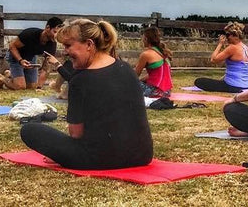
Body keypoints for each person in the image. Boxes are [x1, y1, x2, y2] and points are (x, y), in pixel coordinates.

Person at [20, 18, 153, 169]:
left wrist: (60, 153)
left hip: (99, 159)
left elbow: (76, 134)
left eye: (68, 46)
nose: (65, 51)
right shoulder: (127, 68)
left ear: (89, 44)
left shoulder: (80, 80)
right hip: (141, 155)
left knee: (29, 130)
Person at [0, 17, 63, 90]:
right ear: (47, 28)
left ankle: (9, 75)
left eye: (59, 33)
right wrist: (20, 60)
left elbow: (46, 68)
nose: (56, 35)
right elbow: (12, 46)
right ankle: (2, 78)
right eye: (54, 32)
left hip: (30, 58)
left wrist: (39, 87)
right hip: (16, 57)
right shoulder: (30, 34)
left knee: (32, 87)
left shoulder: (52, 44)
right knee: (20, 86)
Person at [194, 21, 248, 93]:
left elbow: (213, 60)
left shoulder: (232, 48)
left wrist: (220, 44)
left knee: (199, 81)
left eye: (228, 35)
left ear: (235, 36)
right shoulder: (247, 49)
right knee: (218, 82)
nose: (227, 38)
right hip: (246, 86)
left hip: (234, 86)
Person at [135, 27, 172, 97]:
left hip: (153, 91)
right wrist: (141, 80)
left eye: (143, 38)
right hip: (167, 92)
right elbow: (157, 74)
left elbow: (135, 76)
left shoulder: (146, 54)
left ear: (146, 39)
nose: (142, 40)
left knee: (127, 84)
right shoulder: (163, 53)